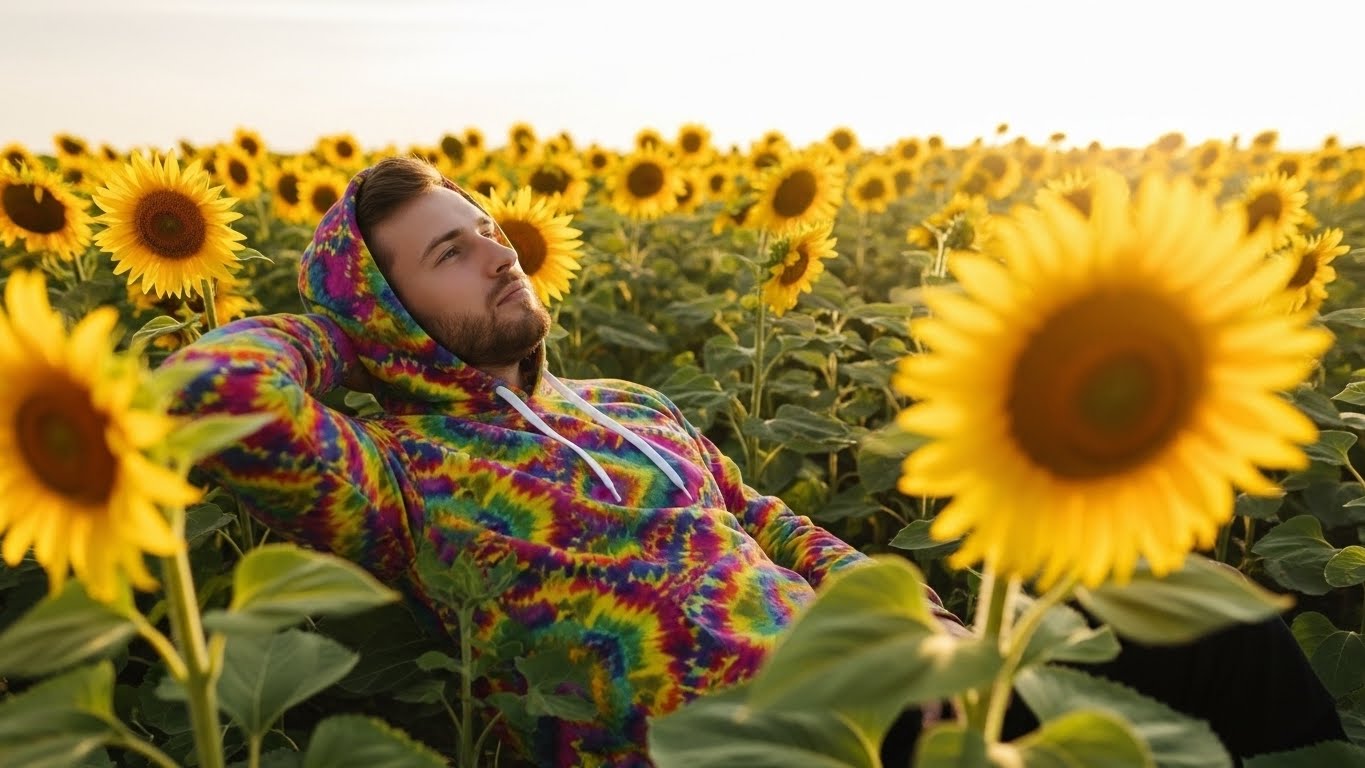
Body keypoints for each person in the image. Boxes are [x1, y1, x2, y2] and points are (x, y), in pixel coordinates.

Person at [168, 157, 1345, 767]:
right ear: (384, 312)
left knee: (1215, 618)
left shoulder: (628, 404)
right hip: (756, 739)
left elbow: (766, 516)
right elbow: (209, 393)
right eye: (448, 255)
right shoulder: (394, 476)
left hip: (891, 674)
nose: (499, 255)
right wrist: (341, 333)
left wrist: (910, 614)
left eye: (487, 231)